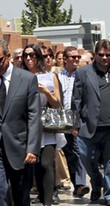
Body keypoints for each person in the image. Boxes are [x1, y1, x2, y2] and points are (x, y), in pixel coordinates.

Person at [0, 38, 41, 206]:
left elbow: (34, 115)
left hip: (20, 147)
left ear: (8, 56)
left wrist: (32, 148)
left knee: (20, 196)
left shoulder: (27, 79)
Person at [22, 44, 62, 206]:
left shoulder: (49, 76)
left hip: (47, 126)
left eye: (32, 55)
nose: (28, 58)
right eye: (25, 56)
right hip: (27, 127)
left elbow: (58, 103)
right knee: (35, 165)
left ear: (38, 57)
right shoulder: (20, 77)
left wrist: (46, 91)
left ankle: (47, 202)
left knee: (46, 164)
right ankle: (39, 195)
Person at [72, 39, 110, 204]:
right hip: (88, 126)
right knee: (87, 158)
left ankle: (108, 195)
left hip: (109, 127)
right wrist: (75, 124)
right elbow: (76, 100)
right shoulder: (83, 72)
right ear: (95, 54)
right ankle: (96, 182)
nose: (104, 58)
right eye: (101, 54)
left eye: (108, 55)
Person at [58, 46, 90, 198]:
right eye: (73, 57)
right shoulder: (57, 75)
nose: (76, 60)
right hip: (58, 119)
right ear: (65, 59)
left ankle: (80, 183)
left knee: (78, 151)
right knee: (65, 152)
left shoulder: (82, 75)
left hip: (75, 119)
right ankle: (72, 182)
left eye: (78, 57)